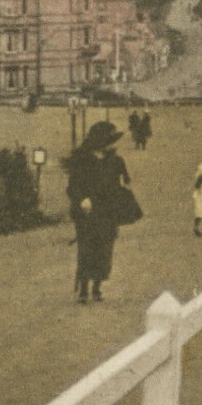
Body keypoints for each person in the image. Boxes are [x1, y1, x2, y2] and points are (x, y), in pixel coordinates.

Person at [64, 120, 131, 304]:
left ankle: (97, 287)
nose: (112, 145)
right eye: (109, 140)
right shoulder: (81, 160)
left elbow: (124, 182)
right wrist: (81, 200)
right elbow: (72, 187)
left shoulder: (115, 161)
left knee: (104, 251)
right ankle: (84, 288)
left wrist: (123, 188)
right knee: (86, 250)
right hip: (86, 214)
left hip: (108, 213)